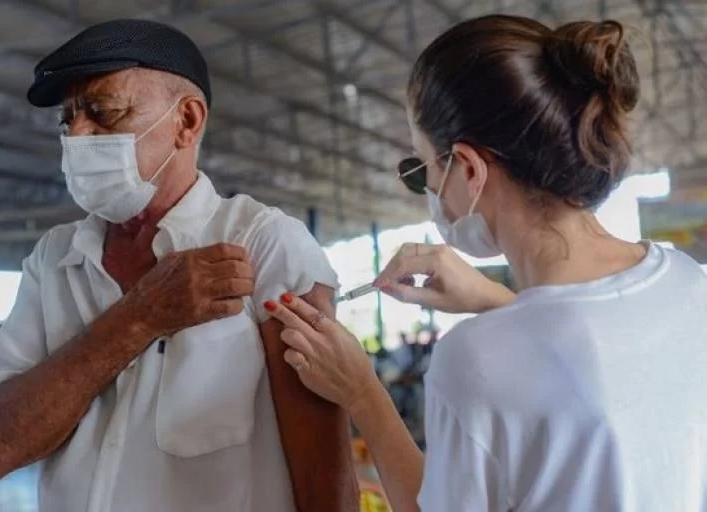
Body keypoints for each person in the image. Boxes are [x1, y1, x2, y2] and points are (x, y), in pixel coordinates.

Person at [262, 14, 707, 512]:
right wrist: (497, 303)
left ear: (469, 168)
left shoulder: (475, 362)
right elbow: (597, 365)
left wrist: (363, 392)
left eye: (422, 168)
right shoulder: (692, 283)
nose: (427, 189)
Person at [0, 19, 357, 512]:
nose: (78, 135)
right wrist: (141, 316)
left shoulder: (265, 244)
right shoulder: (54, 261)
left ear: (187, 121)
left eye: (103, 112)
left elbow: (325, 476)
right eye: (68, 119)